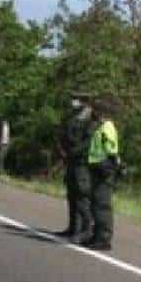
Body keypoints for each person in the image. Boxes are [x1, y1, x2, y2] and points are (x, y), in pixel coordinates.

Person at [54, 92, 94, 243]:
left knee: (82, 197)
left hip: (82, 162)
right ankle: (73, 228)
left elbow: (87, 142)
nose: (73, 102)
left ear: (84, 101)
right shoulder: (73, 116)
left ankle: (86, 231)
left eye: (76, 99)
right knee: (72, 195)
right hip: (71, 161)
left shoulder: (89, 119)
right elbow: (66, 135)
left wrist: (72, 152)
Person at [84, 99, 120, 251]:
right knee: (95, 204)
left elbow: (111, 149)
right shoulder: (99, 127)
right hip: (97, 168)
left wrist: (112, 164)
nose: (91, 112)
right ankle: (96, 235)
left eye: (94, 110)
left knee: (102, 205)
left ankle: (104, 239)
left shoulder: (107, 127)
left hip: (104, 169)